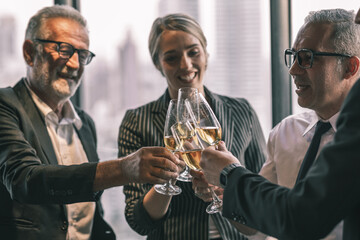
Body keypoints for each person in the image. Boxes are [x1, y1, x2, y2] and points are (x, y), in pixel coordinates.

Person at [0, 5, 181, 240]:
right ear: (29, 52)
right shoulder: (5, 106)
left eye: (83, 55)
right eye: (63, 49)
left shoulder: (85, 124)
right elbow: (25, 180)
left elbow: (90, 216)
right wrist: (123, 169)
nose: (75, 64)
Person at [193, 8, 360, 240]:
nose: (292, 70)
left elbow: (303, 217)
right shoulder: (285, 132)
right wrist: (224, 193)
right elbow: (258, 227)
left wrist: (230, 174)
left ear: (350, 67)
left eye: (307, 57)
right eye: (293, 56)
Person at [117, 13, 267, 240]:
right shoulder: (137, 121)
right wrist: (166, 180)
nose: (185, 65)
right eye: (171, 57)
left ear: (206, 54)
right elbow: (138, 222)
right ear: (158, 64)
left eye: (193, 52)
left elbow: (263, 199)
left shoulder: (241, 111)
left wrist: (225, 190)